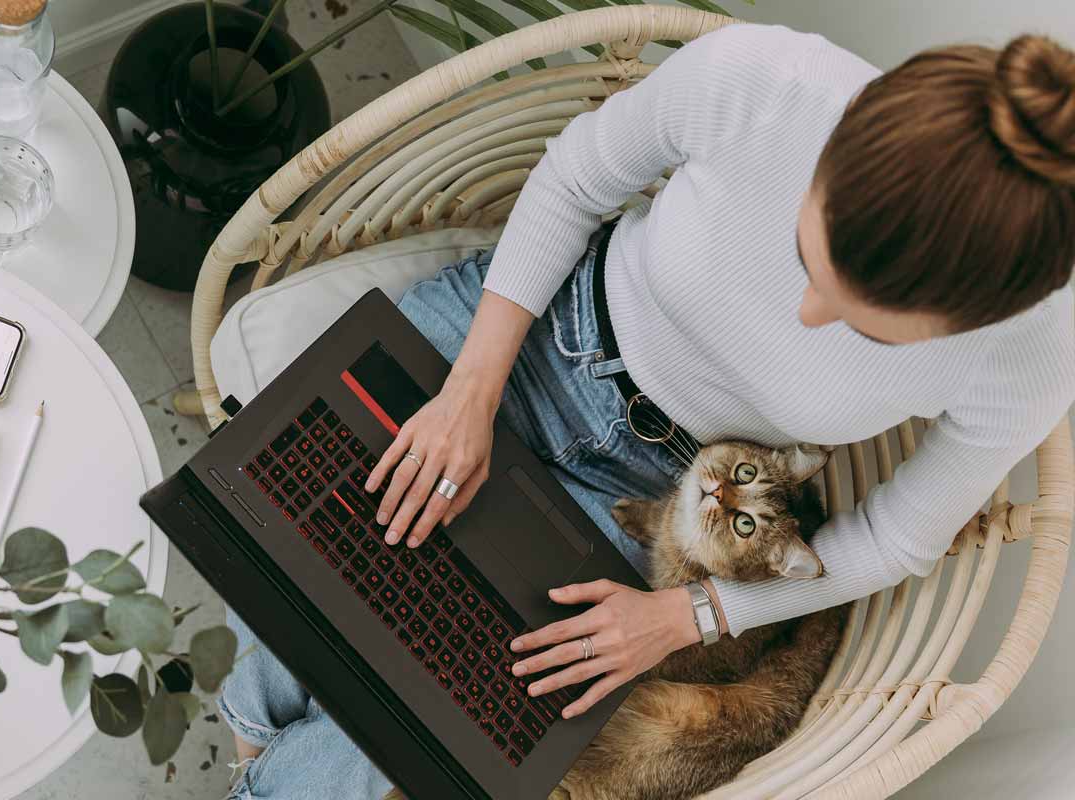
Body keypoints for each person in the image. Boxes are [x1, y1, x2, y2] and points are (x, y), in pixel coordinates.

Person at [219, 22, 1075, 799]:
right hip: (528, 337)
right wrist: (469, 394)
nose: (809, 314)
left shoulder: (1034, 353)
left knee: (426, 721)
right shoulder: (766, 82)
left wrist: (683, 617)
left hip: (658, 507)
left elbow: (898, 538)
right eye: (804, 254)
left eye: (865, 330)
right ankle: (251, 737)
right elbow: (572, 181)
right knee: (278, 526)